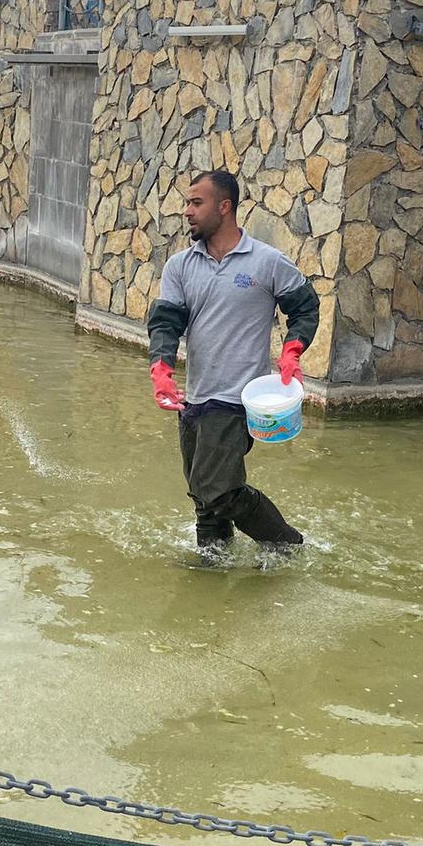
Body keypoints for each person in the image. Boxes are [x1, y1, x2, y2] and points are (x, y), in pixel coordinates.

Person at [146, 170, 320, 560]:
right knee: (202, 495)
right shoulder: (179, 266)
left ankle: (285, 543)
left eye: (196, 203)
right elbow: (166, 322)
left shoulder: (267, 262)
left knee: (218, 489)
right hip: (195, 398)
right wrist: (161, 368)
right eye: (187, 203)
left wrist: (292, 350)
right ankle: (214, 562)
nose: (187, 211)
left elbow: (305, 306)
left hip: (238, 399)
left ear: (224, 207)